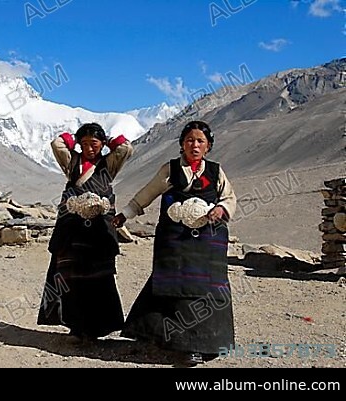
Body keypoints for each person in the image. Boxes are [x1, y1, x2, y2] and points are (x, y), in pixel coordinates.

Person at [113, 121, 237, 366]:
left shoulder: (215, 171)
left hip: (206, 244)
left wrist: (221, 209)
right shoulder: (169, 169)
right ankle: (163, 338)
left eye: (200, 141)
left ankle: (202, 345)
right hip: (175, 241)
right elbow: (147, 194)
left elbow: (229, 197)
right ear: (182, 144)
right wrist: (125, 214)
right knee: (172, 285)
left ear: (208, 146)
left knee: (206, 290)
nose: (195, 145)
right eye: (190, 140)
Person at [37, 122, 133, 342]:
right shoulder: (72, 162)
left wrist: (109, 140)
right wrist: (73, 138)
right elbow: (57, 144)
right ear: (79, 144)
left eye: (95, 143)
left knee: (99, 277)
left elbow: (126, 149)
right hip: (72, 229)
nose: (90, 148)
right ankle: (75, 326)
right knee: (71, 276)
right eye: (85, 143)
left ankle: (97, 328)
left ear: (102, 144)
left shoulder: (108, 164)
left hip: (99, 230)